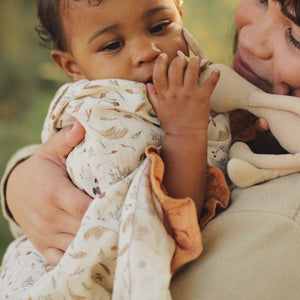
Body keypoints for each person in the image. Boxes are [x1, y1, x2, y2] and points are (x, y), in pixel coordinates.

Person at [3, 0, 300, 298]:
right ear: (72, 66)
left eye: (159, 27)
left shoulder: (281, 227)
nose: (147, 51)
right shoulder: (107, 109)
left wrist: (186, 131)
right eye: (262, 0)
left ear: (179, 16)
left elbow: (163, 220)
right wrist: (20, 181)